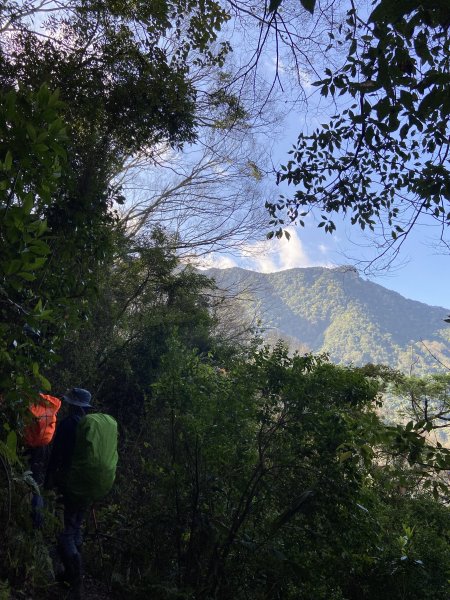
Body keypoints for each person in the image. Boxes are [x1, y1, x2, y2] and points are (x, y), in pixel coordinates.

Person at [45, 387, 92, 599]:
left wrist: (48, 481)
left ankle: (75, 582)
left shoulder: (67, 425)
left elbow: (57, 456)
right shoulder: (89, 427)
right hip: (89, 486)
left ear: (73, 405)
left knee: (66, 533)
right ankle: (69, 576)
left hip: (71, 485)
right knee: (76, 528)